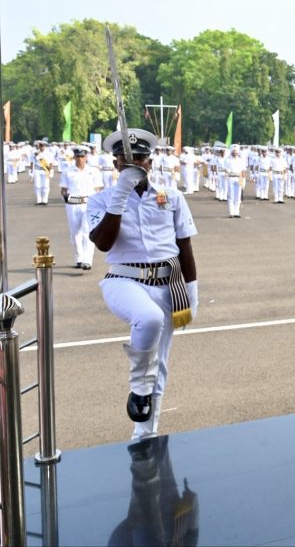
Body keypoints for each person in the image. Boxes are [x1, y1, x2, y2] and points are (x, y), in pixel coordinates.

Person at [88, 128, 199, 441]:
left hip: (168, 284)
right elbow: (104, 243)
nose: (134, 165)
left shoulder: (171, 197)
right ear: (116, 165)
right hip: (123, 280)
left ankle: (145, 432)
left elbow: (184, 247)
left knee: (159, 364)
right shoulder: (101, 200)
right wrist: (120, 196)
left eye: (139, 159)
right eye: (126, 161)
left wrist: (191, 291)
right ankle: (137, 388)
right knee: (147, 319)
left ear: (149, 162)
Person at [59, 146, 103, 270]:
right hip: (73, 204)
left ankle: (87, 260)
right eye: (78, 156)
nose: (80, 159)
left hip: (89, 204)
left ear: (86, 157)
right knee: (75, 233)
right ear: (74, 157)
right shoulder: (67, 171)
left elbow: (98, 188)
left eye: (82, 156)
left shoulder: (94, 171)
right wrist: (65, 197)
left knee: (87, 232)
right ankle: (78, 258)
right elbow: (63, 189)